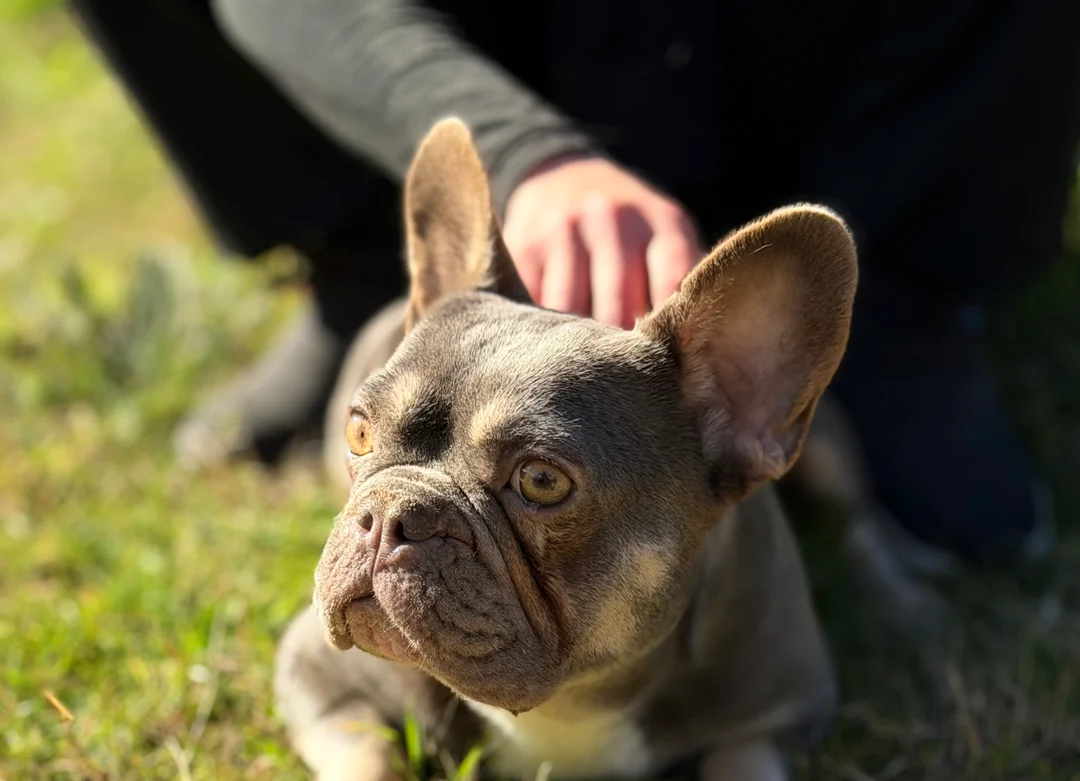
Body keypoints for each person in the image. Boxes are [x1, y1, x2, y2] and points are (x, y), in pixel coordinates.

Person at [70, 0, 1080, 569]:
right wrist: (519, 153)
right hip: (468, 118)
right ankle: (366, 268)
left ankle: (880, 315)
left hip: (824, 124)